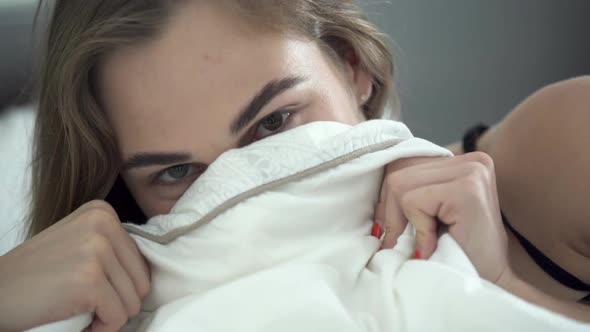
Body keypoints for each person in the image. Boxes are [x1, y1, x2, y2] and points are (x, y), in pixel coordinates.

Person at [0, 1, 588, 331]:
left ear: (352, 67)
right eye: (177, 173)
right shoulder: (124, 302)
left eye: (275, 123)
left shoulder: (562, 147)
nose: (243, 191)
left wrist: (501, 287)